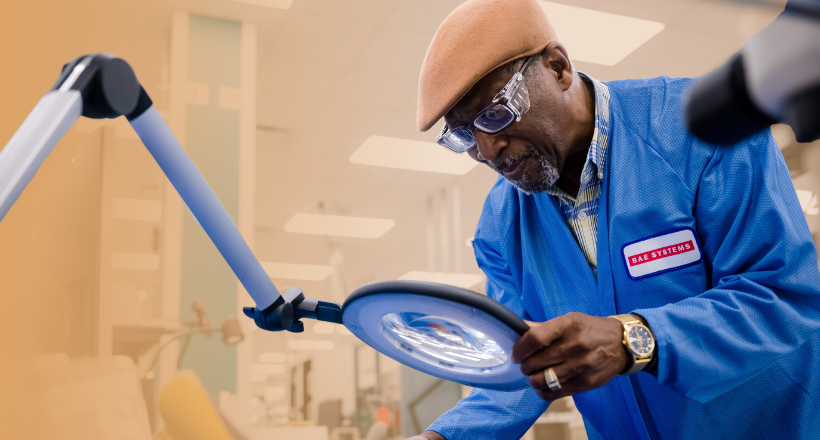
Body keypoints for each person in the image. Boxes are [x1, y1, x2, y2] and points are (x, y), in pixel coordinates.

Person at [407, 0, 820, 439]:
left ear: (557, 67)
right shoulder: (500, 223)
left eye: (496, 113)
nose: (487, 150)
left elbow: (782, 295)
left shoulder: (703, 131)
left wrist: (634, 339)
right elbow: (518, 366)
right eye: (466, 134)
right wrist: (442, 437)